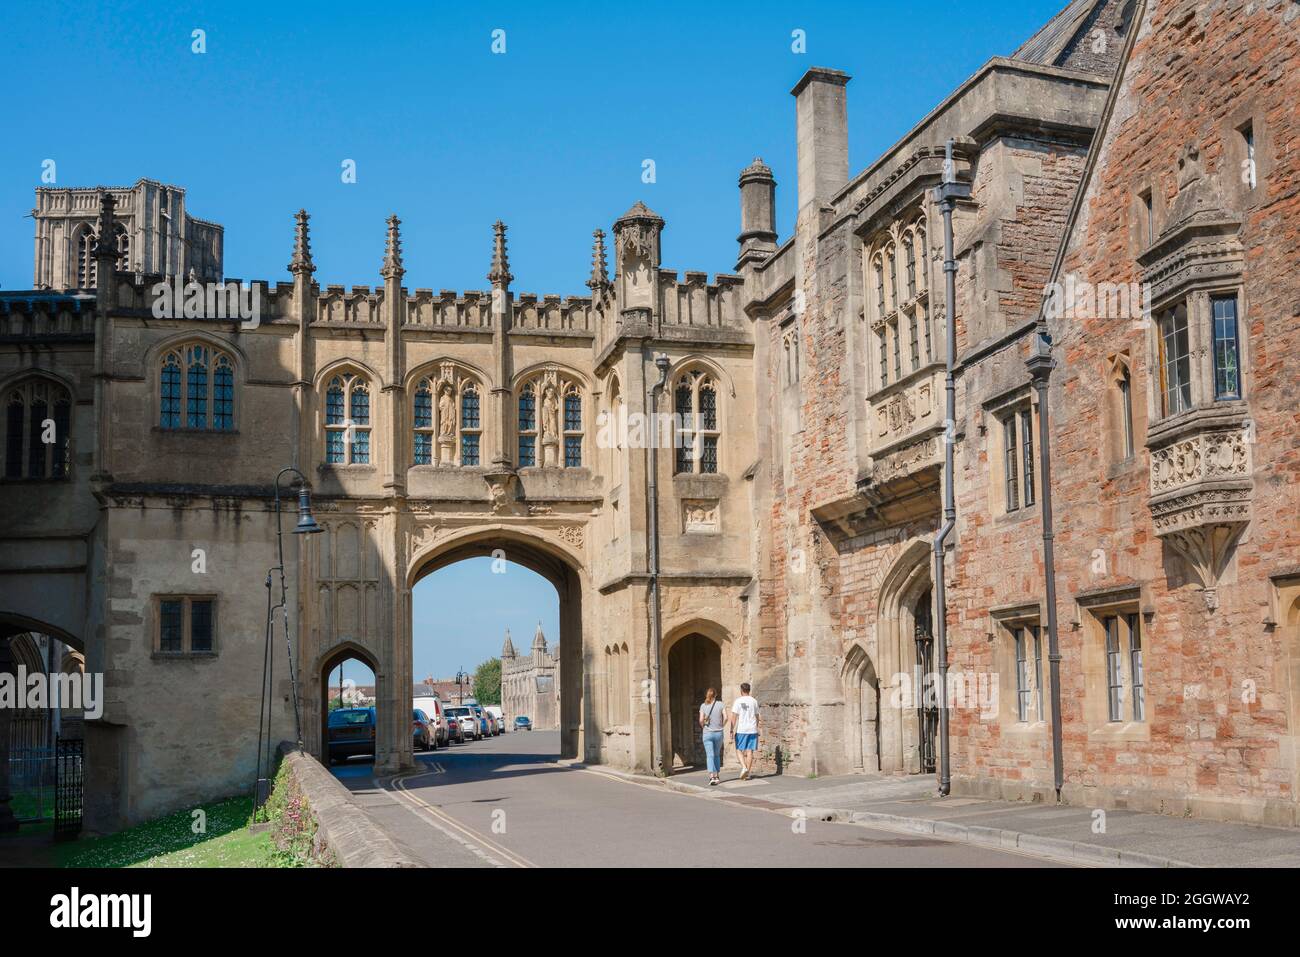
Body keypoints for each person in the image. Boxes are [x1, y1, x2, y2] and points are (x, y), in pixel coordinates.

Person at [730, 682, 760, 780]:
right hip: (752, 729)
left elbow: (734, 717)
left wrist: (731, 729)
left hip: (742, 729)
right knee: (750, 751)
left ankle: (744, 767)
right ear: (749, 690)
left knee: (738, 749)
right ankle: (747, 773)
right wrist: (757, 726)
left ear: (741, 690)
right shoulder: (754, 701)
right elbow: (757, 716)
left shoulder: (738, 701)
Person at [698, 687, 726, 785]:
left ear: (707, 695)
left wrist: (704, 727)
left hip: (707, 733)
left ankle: (711, 777)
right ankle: (717, 776)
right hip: (718, 732)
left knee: (710, 755)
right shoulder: (720, 704)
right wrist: (722, 725)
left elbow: (701, 720)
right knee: (717, 755)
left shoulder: (703, 705)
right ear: (716, 694)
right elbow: (726, 717)